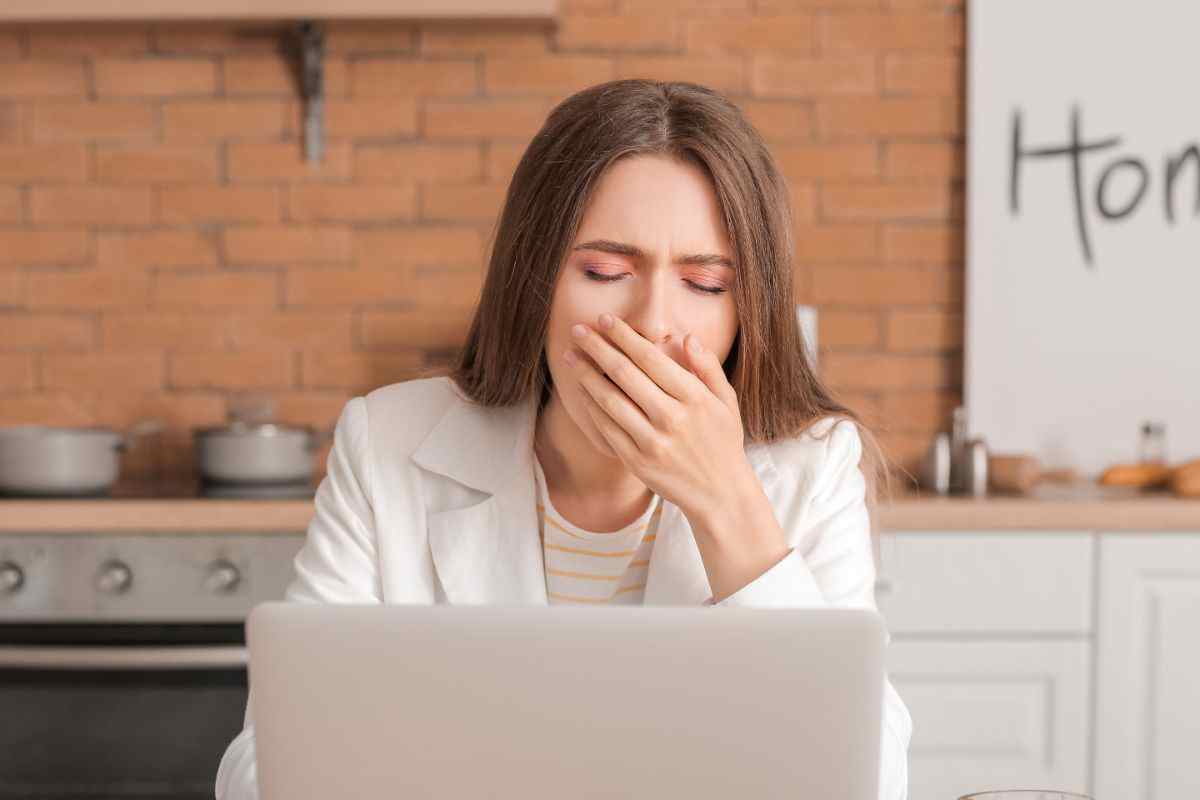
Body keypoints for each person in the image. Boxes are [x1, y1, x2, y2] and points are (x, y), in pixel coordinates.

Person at [215, 79, 912, 800]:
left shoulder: (813, 469)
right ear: (535, 280)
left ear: (747, 310)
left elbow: (870, 784)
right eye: (605, 272)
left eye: (705, 283)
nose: (651, 325)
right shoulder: (388, 445)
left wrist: (726, 502)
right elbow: (264, 767)